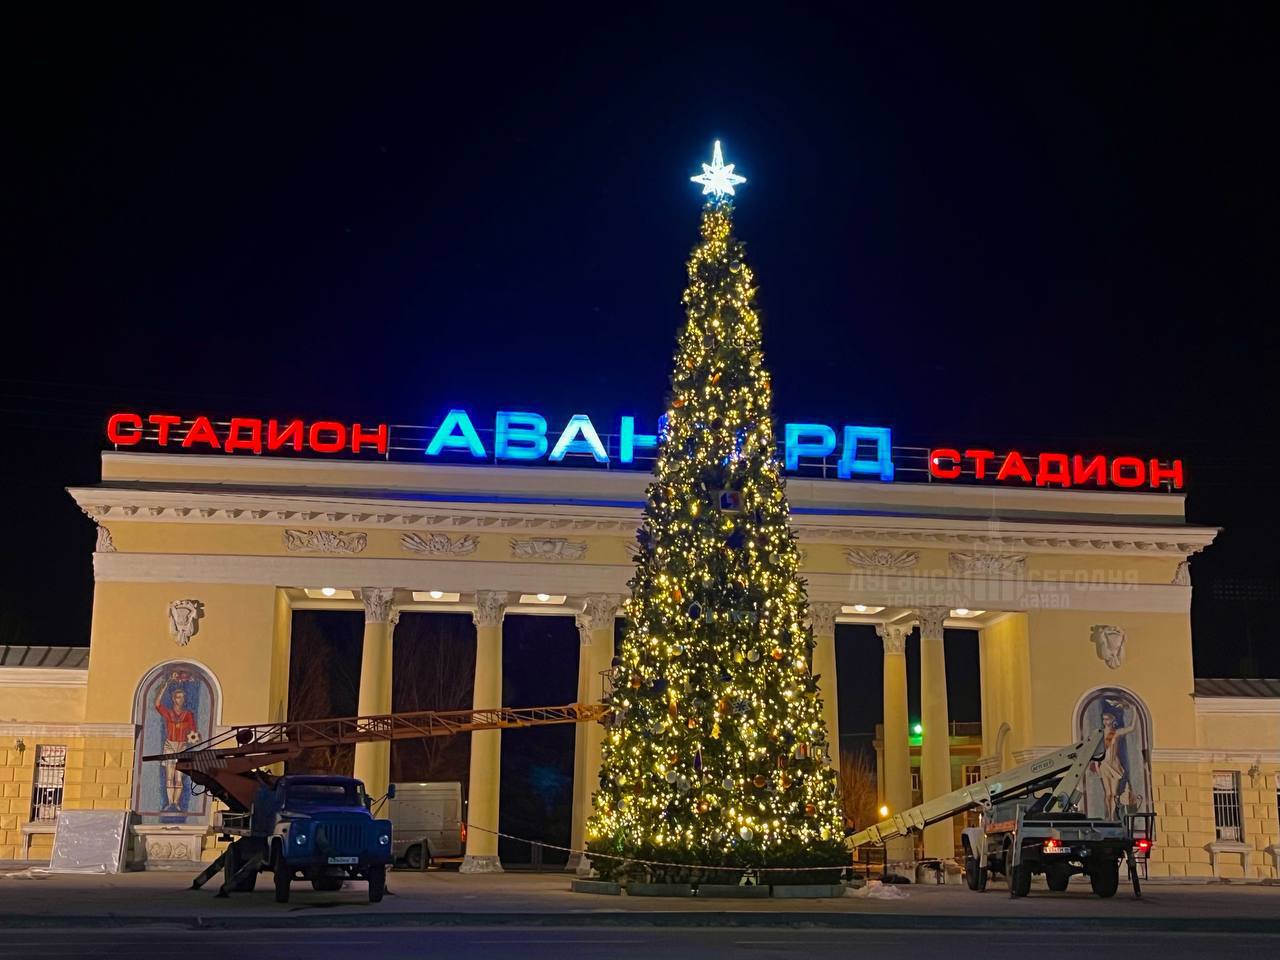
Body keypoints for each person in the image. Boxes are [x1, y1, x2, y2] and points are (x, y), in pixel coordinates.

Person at [155, 672, 198, 811]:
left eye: (183, 697)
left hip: (182, 746)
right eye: (179, 697)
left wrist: (193, 738)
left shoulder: (188, 714)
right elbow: (157, 704)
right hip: (170, 745)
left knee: (178, 779)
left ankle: (176, 803)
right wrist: (165, 685)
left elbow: (193, 731)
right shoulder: (168, 713)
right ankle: (170, 803)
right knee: (169, 777)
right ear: (174, 699)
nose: (181, 699)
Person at [1090, 702, 1135, 820]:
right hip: (1104, 765)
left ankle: (1113, 816)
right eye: (1103, 719)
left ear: (1112, 719)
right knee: (1108, 794)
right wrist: (1096, 765)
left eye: (1107, 719)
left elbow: (1131, 727)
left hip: (1114, 764)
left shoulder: (1116, 732)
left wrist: (1134, 710)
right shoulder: (1099, 734)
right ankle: (1108, 816)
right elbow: (1096, 751)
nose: (1105, 721)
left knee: (1114, 794)